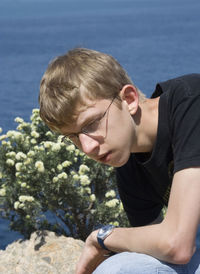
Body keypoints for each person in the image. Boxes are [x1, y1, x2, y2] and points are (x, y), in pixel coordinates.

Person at [39, 48, 200, 274]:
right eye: (73, 137)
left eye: (92, 124)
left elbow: (176, 245)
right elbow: (158, 251)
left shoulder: (191, 103)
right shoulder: (128, 165)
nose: (87, 147)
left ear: (129, 99)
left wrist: (101, 237)